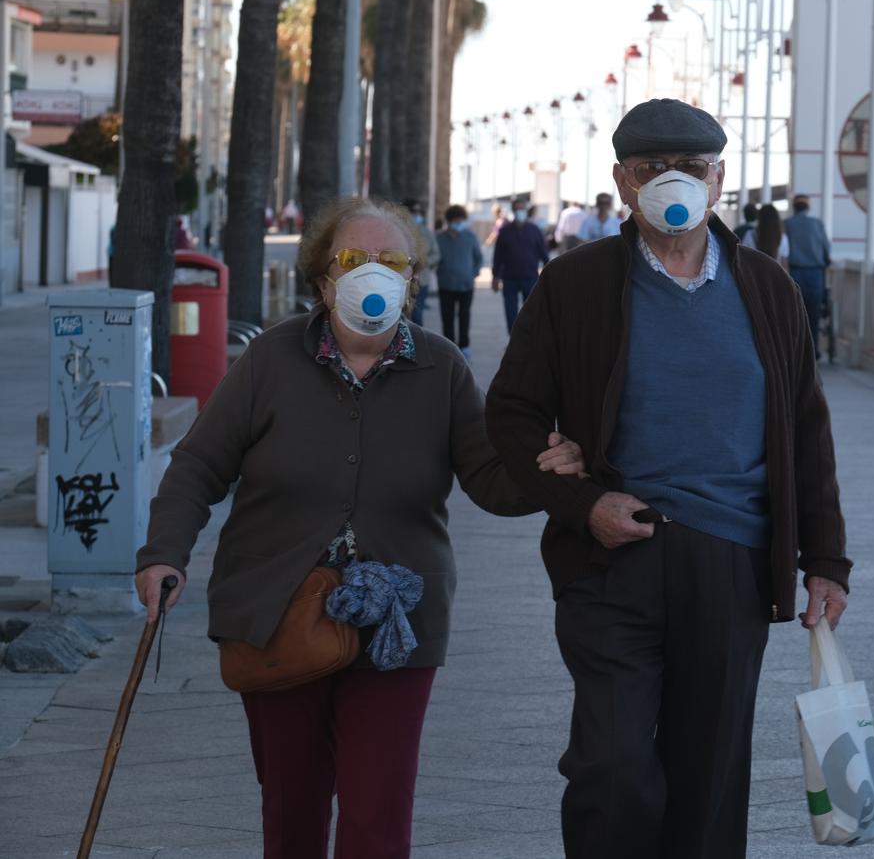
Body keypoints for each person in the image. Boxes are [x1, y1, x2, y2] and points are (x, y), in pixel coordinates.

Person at [133, 197, 586, 859]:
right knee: (292, 809)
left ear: (411, 278)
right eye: (353, 260)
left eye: (391, 261)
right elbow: (199, 466)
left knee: (378, 816)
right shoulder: (269, 361)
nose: (373, 273)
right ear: (322, 277)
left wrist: (551, 470)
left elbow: (490, 478)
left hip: (398, 624)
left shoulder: (442, 368)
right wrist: (162, 554)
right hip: (274, 615)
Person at [485, 98, 851, 859]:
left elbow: (806, 429)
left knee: (709, 775)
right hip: (612, 559)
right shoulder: (576, 283)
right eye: (653, 170)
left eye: (692, 169)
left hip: (733, 563)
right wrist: (582, 501)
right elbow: (513, 411)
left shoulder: (767, 288)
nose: (673, 183)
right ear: (622, 182)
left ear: (719, 182)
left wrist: (826, 561)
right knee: (610, 765)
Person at [491, 197, 550, 332]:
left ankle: (528, 341)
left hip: (530, 277)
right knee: (510, 311)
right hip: (509, 278)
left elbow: (544, 254)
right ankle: (513, 341)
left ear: (526, 210)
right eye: (517, 209)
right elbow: (498, 256)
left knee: (531, 312)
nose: (519, 212)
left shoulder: (534, 230)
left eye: (522, 209)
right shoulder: (505, 231)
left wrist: (550, 274)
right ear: (512, 210)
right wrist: (495, 277)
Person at [783, 195, 831, 359]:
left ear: (795, 208)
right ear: (807, 208)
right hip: (816, 274)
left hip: (795, 273)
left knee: (795, 315)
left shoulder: (788, 224)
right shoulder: (817, 224)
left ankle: (797, 352)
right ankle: (813, 350)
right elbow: (826, 250)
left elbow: (784, 250)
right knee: (814, 315)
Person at [436, 204, 483, 358]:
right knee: (447, 316)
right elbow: (434, 259)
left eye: (461, 220)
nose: (459, 223)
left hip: (466, 285)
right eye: (456, 220)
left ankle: (464, 345)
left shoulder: (470, 237)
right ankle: (448, 346)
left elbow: (479, 258)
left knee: (464, 315)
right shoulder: (440, 238)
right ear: (449, 221)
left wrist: (473, 273)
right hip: (446, 284)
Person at [403, 199, 440, 327]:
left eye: (418, 211)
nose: (416, 214)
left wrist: (424, 262)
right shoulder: (397, 231)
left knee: (417, 314)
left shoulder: (426, 232)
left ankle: (418, 342)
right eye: (413, 211)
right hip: (401, 279)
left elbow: (436, 254)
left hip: (421, 280)